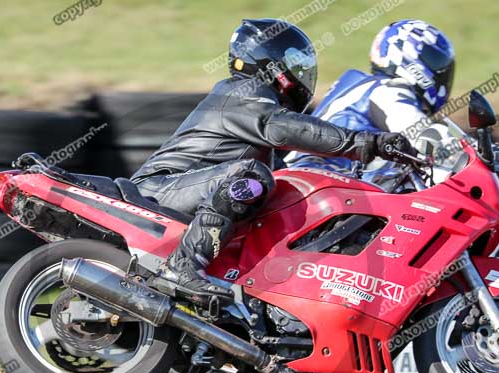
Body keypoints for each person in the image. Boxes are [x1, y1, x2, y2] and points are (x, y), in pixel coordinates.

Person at [131, 18, 416, 303]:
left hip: (185, 192)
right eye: (296, 62)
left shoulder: (255, 115)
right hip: (157, 190)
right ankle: (182, 266)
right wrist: (369, 142)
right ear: (272, 62)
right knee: (252, 177)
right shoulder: (241, 93)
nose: (302, 72)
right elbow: (287, 128)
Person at [286, 19, 456, 174]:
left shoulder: (358, 87)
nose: (441, 71)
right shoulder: (387, 89)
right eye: (435, 59)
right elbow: (419, 130)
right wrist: (460, 151)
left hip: (309, 180)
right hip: (321, 184)